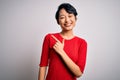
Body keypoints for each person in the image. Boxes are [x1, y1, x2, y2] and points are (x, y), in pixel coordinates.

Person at [38, 3, 87, 80]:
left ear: (75, 19)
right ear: (58, 21)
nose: (67, 20)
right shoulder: (50, 38)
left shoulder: (82, 43)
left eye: (70, 16)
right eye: (62, 17)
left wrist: (61, 52)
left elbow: (78, 73)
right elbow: (43, 66)